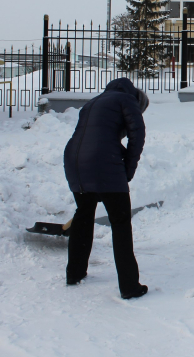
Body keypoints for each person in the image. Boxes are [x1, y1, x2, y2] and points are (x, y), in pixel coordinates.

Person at [63, 77, 150, 299]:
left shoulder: (94, 102)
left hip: (74, 161)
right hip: (102, 162)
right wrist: (127, 171)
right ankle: (130, 286)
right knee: (120, 223)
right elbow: (137, 136)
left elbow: (96, 138)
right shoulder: (127, 100)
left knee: (83, 215)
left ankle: (74, 273)